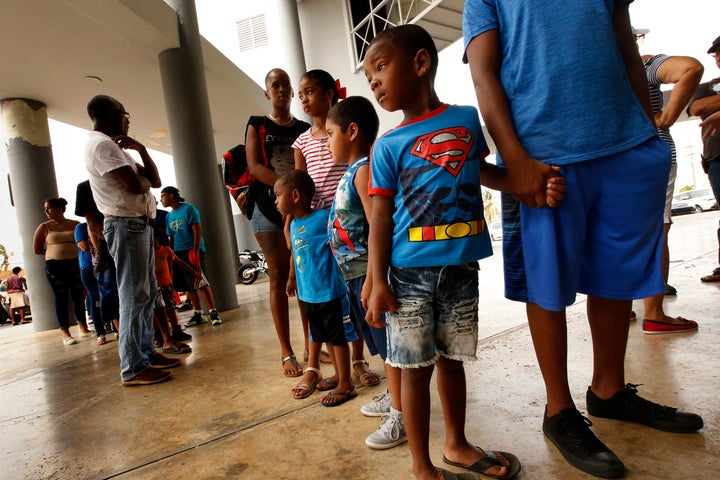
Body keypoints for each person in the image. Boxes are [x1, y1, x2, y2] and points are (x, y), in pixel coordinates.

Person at [464, 3, 704, 478]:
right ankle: (559, 411)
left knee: (616, 276)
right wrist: (515, 161)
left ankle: (609, 392)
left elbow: (624, 47)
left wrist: (646, 133)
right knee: (546, 284)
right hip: (545, 155)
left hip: (625, 143)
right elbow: (484, 70)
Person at [364, 24, 537, 480]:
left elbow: (484, 173)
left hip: (461, 267)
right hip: (408, 275)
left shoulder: (463, 119)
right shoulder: (387, 145)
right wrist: (377, 280)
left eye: (380, 67)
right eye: (369, 77)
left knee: (453, 360)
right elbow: (379, 218)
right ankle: (422, 467)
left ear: (421, 63)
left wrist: (527, 181)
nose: (375, 81)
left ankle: (456, 444)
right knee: (414, 369)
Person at [325, 96, 406, 449]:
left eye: (329, 134)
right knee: (381, 346)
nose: (326, 141)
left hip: (365, 273)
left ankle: (402, 416)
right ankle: (396, 395)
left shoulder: (363, 170)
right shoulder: (352, 170)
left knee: (389, 346)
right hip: (355, 274)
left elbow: (377, 223)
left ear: (352, 131)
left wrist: (375, 279)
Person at [84, 94, 179, 386]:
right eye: (125, 114)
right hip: (126, 227)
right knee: (132, 296)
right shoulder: (101, 145)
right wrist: (142, 179)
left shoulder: (116, 148)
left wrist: (140, 149)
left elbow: (154, 179)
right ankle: (133, 368)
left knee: (145, 293)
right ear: (112, 114)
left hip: (138, 226)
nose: (127, 119)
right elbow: (136, 184)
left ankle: (146, 354)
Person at [293, 69, 379, 385]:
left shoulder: (347, 139)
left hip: (350, 223)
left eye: (310, 92)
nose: (303, 99)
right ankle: (324, 367)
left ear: (330, 94)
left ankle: (357, 361)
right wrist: (294, 226)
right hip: (318, 229)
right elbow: (299, 185)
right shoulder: (301, 141)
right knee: (324, 297)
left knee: (352, 295)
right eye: (300, 94)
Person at [635, 31, 704, 334]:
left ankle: (618, 306)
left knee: (617, 231)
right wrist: (664, 119)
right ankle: (654, 312)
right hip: (652, 152)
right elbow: (690, 68)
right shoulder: (645, 65)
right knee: (656, 231)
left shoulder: (597, 71)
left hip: (613, 156)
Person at [245, 68, 311, 378]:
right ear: (267, 92)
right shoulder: (257, 124)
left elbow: (306, 168)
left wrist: (294, 196)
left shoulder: (303, 128)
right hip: (266, 209)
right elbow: (255, 167)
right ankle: (287, 351)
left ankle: (313, 345)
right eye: (275, 84)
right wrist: (285, 187)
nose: (281, 89)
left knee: (304, 276)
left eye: (286, 84)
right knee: (277, 276)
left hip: (298, 210)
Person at [277, 169, 358, 407]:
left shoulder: (323, 218)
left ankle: (346, 383)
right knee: (324, 336)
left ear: (294, 195)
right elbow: (295, 253)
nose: (275, 200)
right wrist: (292, 277)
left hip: (330, 290)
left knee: (338, 337)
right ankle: (338, 376)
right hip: (310, 294)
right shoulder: (293, 224)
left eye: (277, 195)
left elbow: (340, 243)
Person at [32, 198, 93, 344]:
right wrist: (55, 254)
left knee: (78, 295)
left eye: (49, 208)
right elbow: (37, 249)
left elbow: (85, 241)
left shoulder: (75, 224)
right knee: (61, 297)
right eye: (45, 209)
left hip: (74, 264)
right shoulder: (44, 227)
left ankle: (83, 327)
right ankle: (65, 333)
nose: (46, 211)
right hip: (55, 266)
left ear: (60, 209)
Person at [160, 186, 222, 327]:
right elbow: (171, 238)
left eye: (162, 196)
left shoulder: (189, 209)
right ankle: (198, 314)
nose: (161, 200)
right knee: (189, 285)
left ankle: (213, 312)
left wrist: (195, 251)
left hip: (192, 250)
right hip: (178, 253)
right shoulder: (169, 216)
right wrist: (172, 254)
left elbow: (197, 231)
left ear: (171, 195)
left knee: (201, 282)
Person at [688, 35, 720, 283]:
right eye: (716, 53)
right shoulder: (708, 85)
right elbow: (698, 108)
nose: (718, 57)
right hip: (716, 158)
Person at [75, 179, 120, 341]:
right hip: (102, 261)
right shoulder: (86, 189)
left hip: (111, 255)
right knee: (103, 298)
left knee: (117, 297)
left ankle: (119, 330)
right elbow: (91, 234)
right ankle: (108, 331)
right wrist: (113, 247)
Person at [152, 230, 193, 354]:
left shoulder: (165, 250)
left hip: (166, 285)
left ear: (157, 238)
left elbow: (179, 262)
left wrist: (193, 272)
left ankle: (175, 331)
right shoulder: (146, 254)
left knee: (170, 308)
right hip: (154, 285)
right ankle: (158, 335)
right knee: (155, 309)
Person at [75, 222, 111, 345]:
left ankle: (114, 327)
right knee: (96, 299)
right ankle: (100, 332)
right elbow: (85, 247)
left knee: (110, 298)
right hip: (89, 269)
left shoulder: (105, 224)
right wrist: (96, 235)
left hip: (105, 267)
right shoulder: (81, 227)